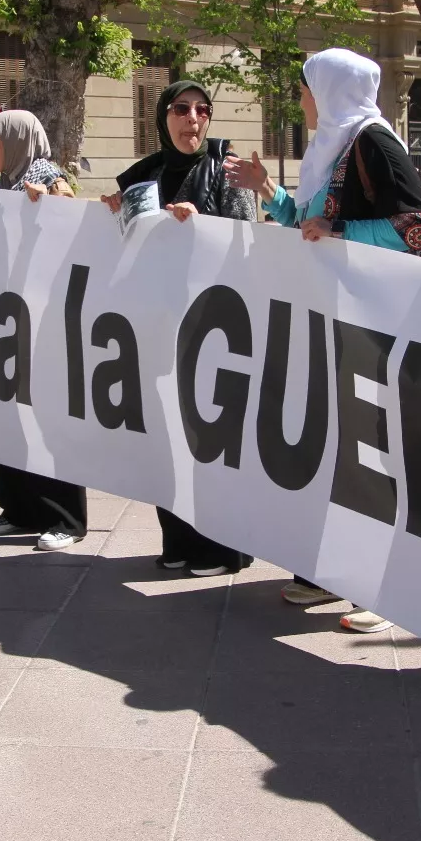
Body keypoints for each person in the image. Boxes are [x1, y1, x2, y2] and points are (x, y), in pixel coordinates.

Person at [227, 47, 421, 634]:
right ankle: (332, 573)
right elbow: (308, 226)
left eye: (305, 87)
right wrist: (268, 191)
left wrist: (339, 228)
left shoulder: (375, 142)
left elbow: (418, 230)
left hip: (376, 325)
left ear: (328, 89)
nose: (300, 99)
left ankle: (384, 588)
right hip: (334, 319)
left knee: (375, 456)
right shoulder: (335, 146)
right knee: (336, 451)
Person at [103, 82, 256, 573]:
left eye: (202, 110)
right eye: (181, 109)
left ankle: (218, 548)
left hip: (211, 326)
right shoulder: (145, 175)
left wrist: (201, 223)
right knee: (163, 438)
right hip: (155, 323)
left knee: (206, 439)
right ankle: (179, 541)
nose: (193, 119)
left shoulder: (225, 169)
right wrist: (113, 211)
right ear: (162, 117)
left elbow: (244, 243)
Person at [0, 110, 92, 550]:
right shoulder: (4, 182)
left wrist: (52, 206)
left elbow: (74, 226)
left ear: (15, 141)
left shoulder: (46, 175)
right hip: (7, 319)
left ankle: (65, 518)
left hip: (44, 322)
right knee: (7, 415)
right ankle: (20, 509)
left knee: (47, 419)